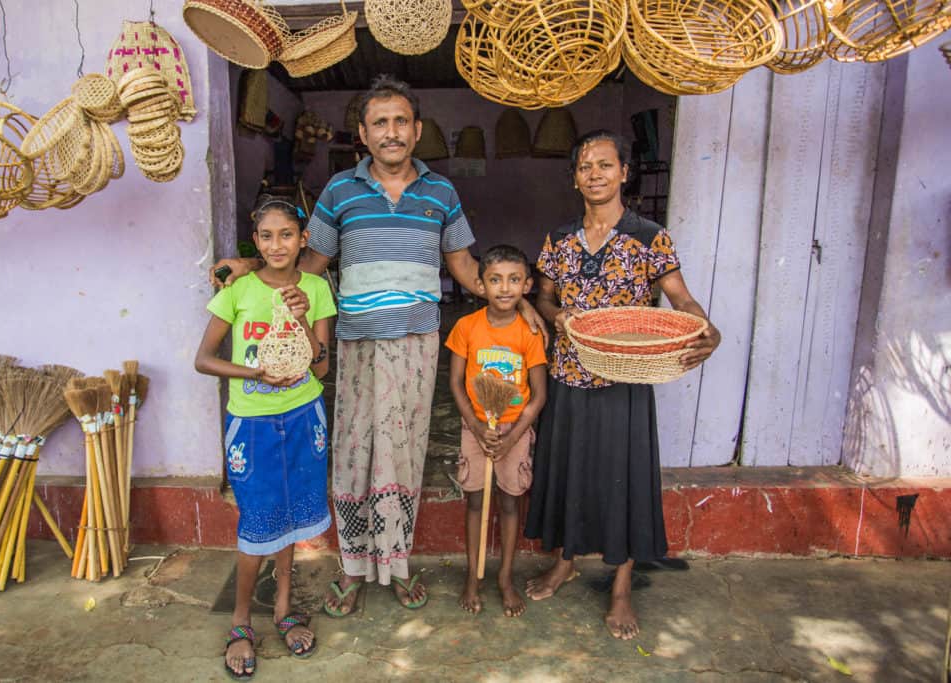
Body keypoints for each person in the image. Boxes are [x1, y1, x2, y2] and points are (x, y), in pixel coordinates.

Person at [211, 75, 545, 617]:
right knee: (353, 452)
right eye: (378, 123)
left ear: (416, 130)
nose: (390, 133)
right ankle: (351, 568)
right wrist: (251, 262)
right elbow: (309, 264)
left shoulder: (441, 193)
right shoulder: (341, 191)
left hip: (415, 344)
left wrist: (514, 301)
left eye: (400, 122)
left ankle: (397, 563)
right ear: (362, 134)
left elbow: (463, 265)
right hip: (358, 342)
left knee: (404, 453)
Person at [522, 130, 721, 640]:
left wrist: (707, 329)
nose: (595, 174)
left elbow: (682, 299)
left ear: (624, 173)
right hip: (568, 374)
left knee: (623, 480)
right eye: (586, 166)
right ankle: (566, 562)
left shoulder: (649, 236)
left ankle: (621, 587)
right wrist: (557, 315)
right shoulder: (559, 239)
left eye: (605, 165)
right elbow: (543, 296)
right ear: (574, 178)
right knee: (567, 472)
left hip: (625, 378)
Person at [195, 197, 337, 675]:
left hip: (303, 415)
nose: (278, 244)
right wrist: (255, 370)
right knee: (258, 518)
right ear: (256, 243)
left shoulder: (316, 288)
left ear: (303, 240)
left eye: (287, 235)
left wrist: (299, 318)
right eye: (268, 236)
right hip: (252, 421)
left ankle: (282, 610)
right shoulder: (238, 291)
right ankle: (240, 622)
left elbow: (321, 364)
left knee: (293, 517)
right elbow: (204, 359)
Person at [446, 245, 547, 618]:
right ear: (480, 284)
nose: (505, 288)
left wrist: (513, 436)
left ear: (527, 285)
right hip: (476, 427)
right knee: (475, 500)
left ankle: (504, 577)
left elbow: (539, 395)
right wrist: (475, 426)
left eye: (514, 279)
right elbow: (456, 383)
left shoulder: (529, 332)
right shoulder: (466, 327)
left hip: (514, 430)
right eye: (495, 279)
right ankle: (473, 576)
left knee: (508, 502)